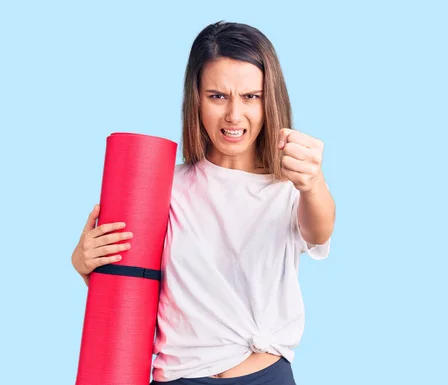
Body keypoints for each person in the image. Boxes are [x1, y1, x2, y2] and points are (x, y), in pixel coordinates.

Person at [70, 21, 335, 384]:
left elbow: (319, 231)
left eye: (250, 96)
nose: (234, 115)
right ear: (196, 97)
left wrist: (313, 182)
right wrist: (86, 263)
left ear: (268, 99)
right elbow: (131, 285)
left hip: (263, 374)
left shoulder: (289, 186)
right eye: (218, 96)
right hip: (179, 376)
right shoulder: (164, 187)